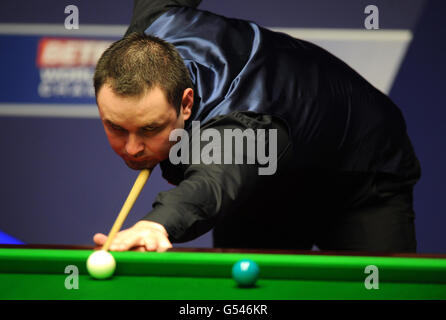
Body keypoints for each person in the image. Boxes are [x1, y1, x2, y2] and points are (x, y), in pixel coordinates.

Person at [93, 0, 421, 253]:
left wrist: (156, 224)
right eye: (117, 127)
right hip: (260, 191)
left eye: (150, 129)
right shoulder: (153, 24)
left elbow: (213, 181)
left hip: (356, 178)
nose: (132, 147)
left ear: (186, 103)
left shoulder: (242, 119)